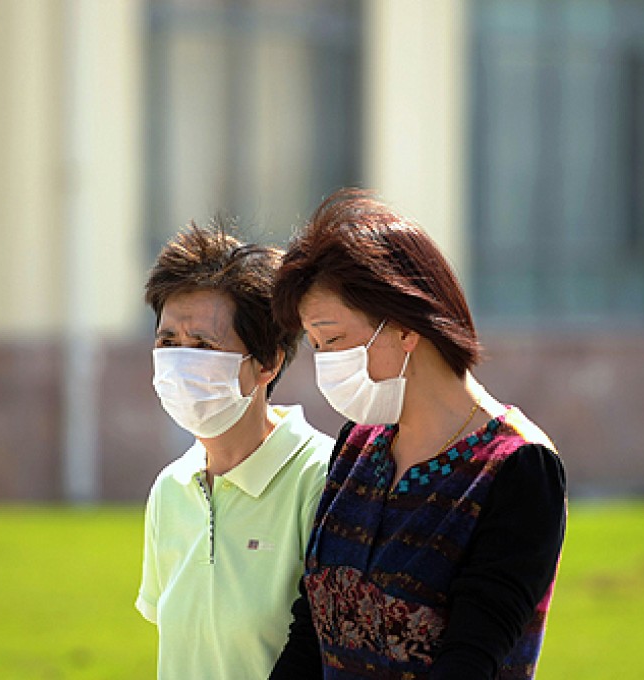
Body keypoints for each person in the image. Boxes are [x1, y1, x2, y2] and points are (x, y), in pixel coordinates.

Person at [267, 189, 567, 680]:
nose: (326, 364)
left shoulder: (517, 468)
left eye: (335, 340)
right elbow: (312, 632)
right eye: (317, 346)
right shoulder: (357, 448)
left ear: (406, 324)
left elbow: (471, 658)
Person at [136, 218, 334, 680]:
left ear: (268, 362)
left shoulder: (322, 480)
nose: (181, 359)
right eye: (168, 341)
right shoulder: (171, 489)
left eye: (203, 344)